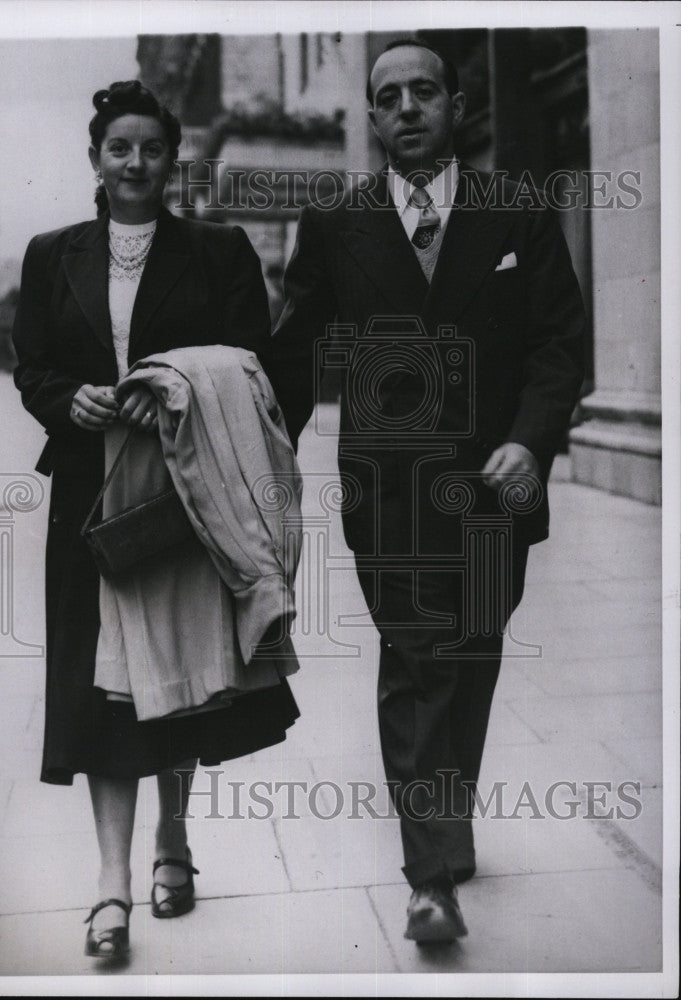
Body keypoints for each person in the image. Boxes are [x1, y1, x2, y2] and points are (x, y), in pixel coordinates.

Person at [268, 40, 586, 943]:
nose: (404, 108)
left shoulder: (514, 212)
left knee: (472, 654)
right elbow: (294, 352)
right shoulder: (335, 221)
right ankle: (428, 879)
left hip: (494, 495)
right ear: (371, 118)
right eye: (386, 97)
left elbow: (558, 342)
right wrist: (259, 454)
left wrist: (531, 441)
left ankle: (445, 824)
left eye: (421, 92)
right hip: (391, 494)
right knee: (416, 664)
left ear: (454, 105)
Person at [12, 80, 299, 959]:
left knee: (175, 670)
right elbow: (34, 370)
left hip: (183, 493)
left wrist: (174, 383)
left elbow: (254, 368)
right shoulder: (50, 252)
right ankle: (111, 888)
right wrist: (76, 402)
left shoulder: (218, 249)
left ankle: (173, 838)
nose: (134, 163)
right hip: (89, 497)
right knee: (103, 687)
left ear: (173, 160)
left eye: (150, 148)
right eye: (117, 148)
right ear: (93, 157)